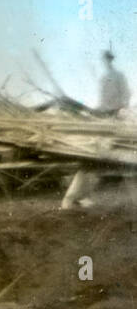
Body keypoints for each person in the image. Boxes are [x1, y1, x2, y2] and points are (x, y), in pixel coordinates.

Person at [62, 51, 130, 209]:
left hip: (115, 116)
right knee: (92, 159)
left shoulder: (119, 76)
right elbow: (102, 100)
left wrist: (121, 108)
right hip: (105, 118)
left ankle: (81, 197)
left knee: (95, 162)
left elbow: (125, 95)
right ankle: (71, 198)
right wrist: (98, 111)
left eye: (108, 60)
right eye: (104, 60)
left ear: (111, 60)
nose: (106, 62)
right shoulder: (103, 79)